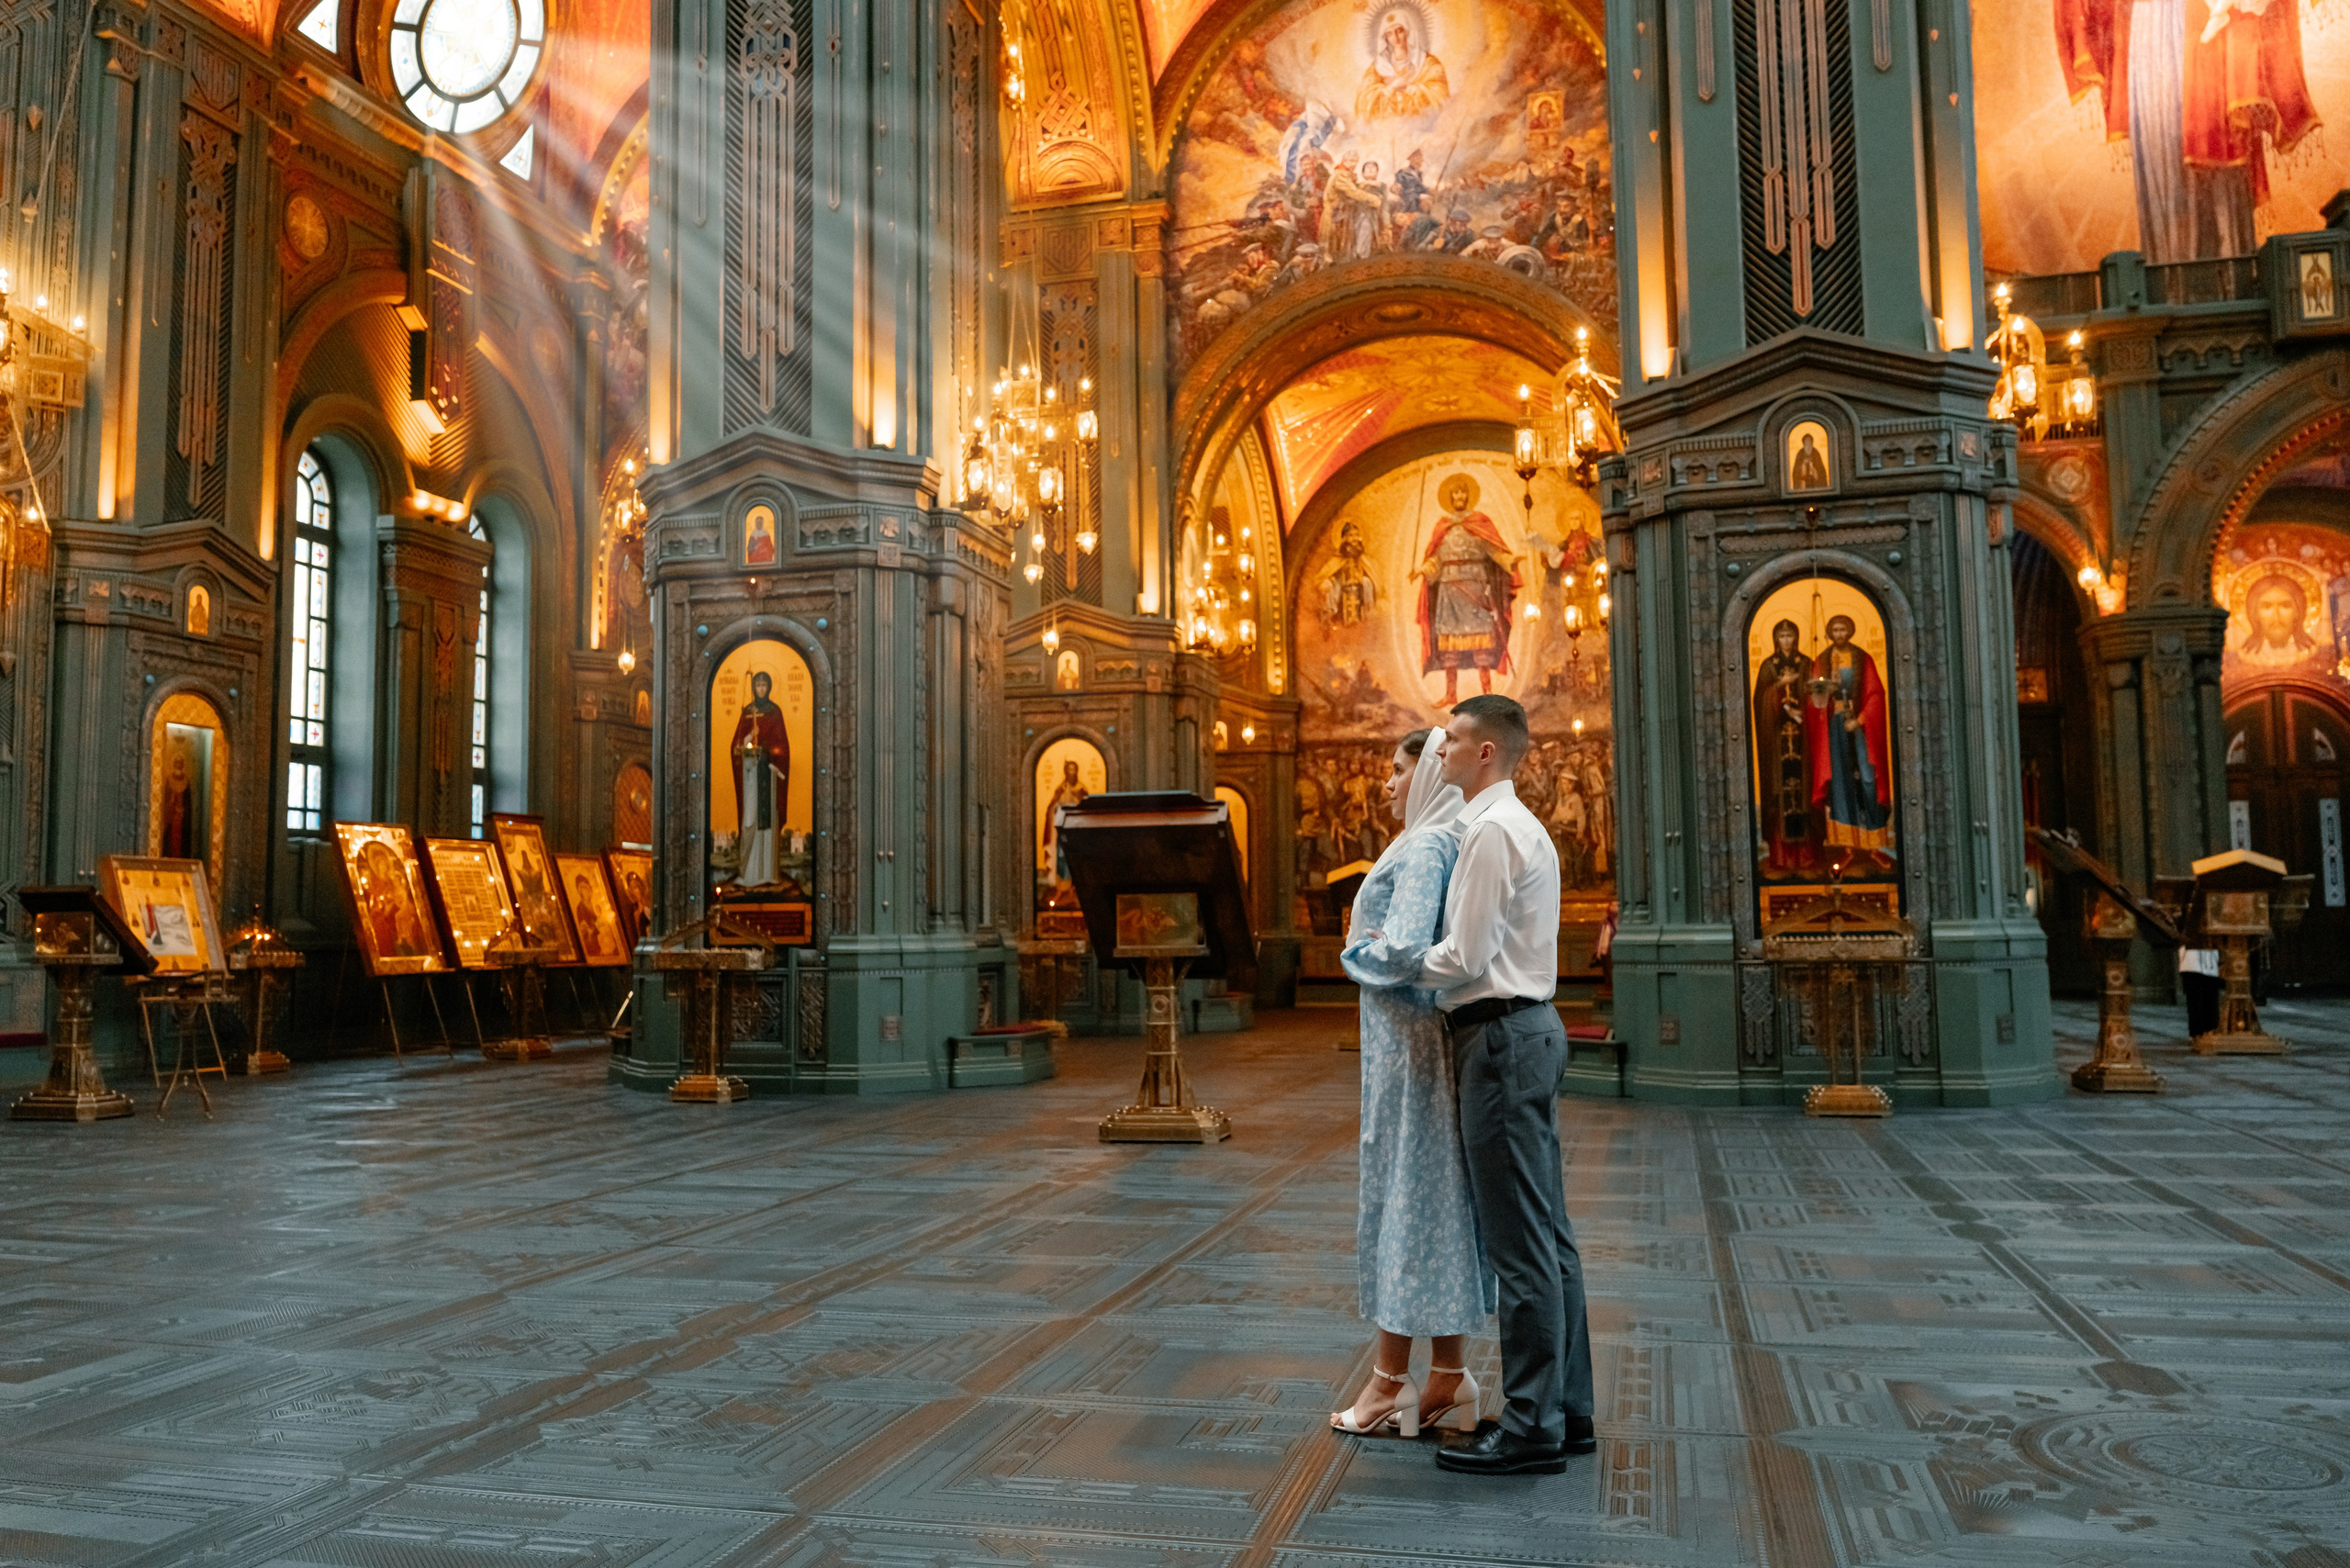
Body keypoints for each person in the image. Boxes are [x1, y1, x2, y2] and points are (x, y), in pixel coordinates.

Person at [1417, 694, 1595, 1475]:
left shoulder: (1490, 832)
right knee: (1549, 1236)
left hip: (1497, 1037)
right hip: (1525, 1030)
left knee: (1520, 1243)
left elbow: (1465, 954)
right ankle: (1567, 1409)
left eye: (1452, 740)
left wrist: (1390, 966)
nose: (1442, 751)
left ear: (1486, 752)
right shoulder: (1517, 826)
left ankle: (1528, 1425)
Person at [1330, 727, 1492, 1439]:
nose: (1387, 785)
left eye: (1397, 772)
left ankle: (1389, 1383)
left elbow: (1401, 951)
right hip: (1410, 1039)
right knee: (1431, 1201)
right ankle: (1449, 1376)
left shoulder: (1425, 845)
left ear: (1426, 775)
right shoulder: (1434, 837)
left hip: (1408, 1044)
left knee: (1408, 1199)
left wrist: (1352, 951)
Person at [730, 670, 792, 885]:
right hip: (751, 776)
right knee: (750, 819)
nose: (761, 689)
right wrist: (749, 737)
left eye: (765, 685)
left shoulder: (775, 712)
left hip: (769, 776)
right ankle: (748, 872)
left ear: (770, 687)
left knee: (767, 823)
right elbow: (736, 746)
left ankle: (768, 873)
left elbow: (782, 747)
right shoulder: (747, 711)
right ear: (753, 688)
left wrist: (769, 751)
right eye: (758, 685)